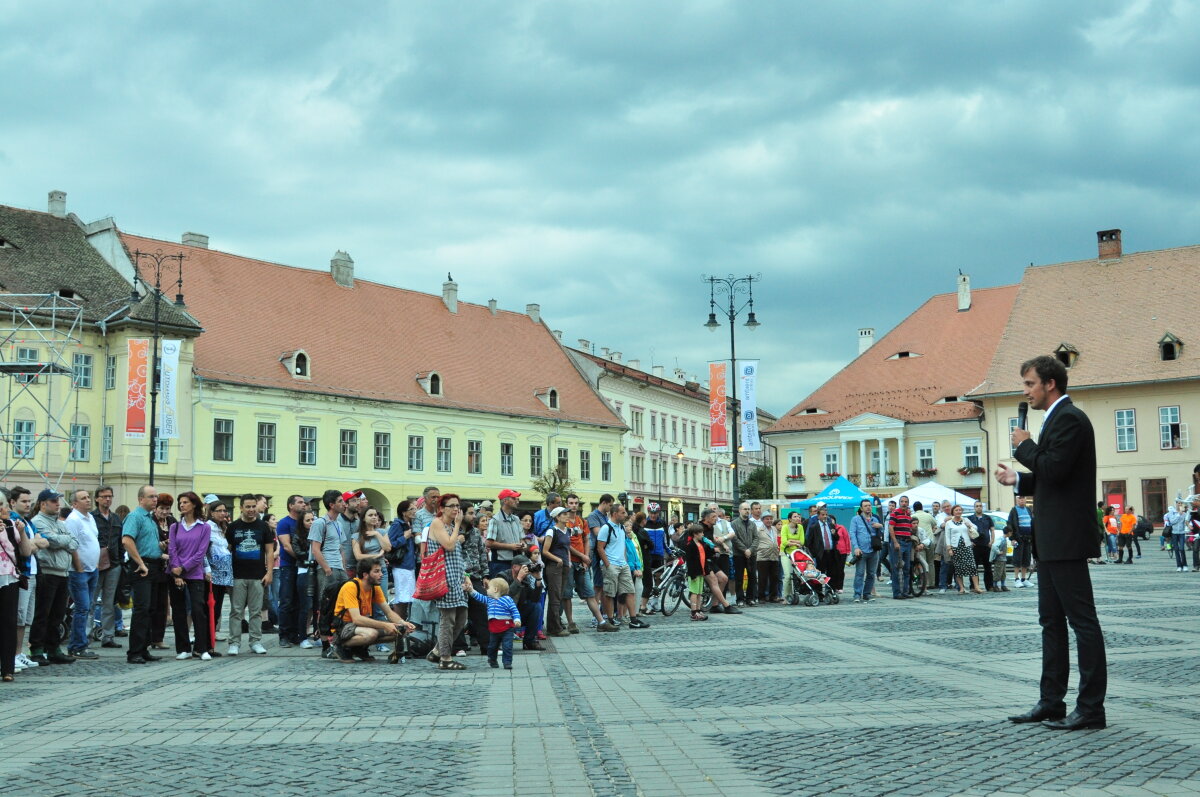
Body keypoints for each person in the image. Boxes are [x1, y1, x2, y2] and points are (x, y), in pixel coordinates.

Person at [997, 354, 1107, 731]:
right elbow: (1053, 476)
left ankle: (1091, 708)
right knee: (1051, 622)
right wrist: (1019, 480)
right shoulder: (1058, 419)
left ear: (1050, 384)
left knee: (1082, 623)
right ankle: (1051, 701)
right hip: (1051, 538)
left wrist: (1025, 446)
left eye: (1030, 384)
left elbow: (1056, 470)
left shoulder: (1070, 419)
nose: (1025, 391)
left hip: (1065, 538)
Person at [29, 489, 78, 665]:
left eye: (58, 501)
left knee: (58, 614)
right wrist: (62, 540)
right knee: (43, 613)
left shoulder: (60, 523)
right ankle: (37, 649)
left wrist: (61, 540)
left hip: (63, 572)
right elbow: (52, 541)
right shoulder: (38, 522)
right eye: (54, 501)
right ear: (43, 504)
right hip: (48, 572)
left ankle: (53, 648)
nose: (58, 504)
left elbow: (74, 543)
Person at [331, 560, 414, 663]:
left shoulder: (375, 588)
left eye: (380, 571)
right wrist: (385, 625)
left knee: (397, 632)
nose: (381, 575)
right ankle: (340, 646)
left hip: (360, 625)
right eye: (376, 571)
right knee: (371, 634)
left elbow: (388, 612)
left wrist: (403, 623)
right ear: (365, 575)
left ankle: (358, 649)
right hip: (343, 627)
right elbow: (357, 619)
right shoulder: (351, 587)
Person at [225, 494, 276, 656]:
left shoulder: (263, 527)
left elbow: (269, 551)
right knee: (236, 611)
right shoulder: (233, 527)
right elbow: (227, 550)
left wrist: (269, 573)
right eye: (248, 507)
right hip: (237, 575)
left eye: (254, 506)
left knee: (256, 611)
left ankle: (255, 641)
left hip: (258, 575)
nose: (251, 510)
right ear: (241, 507)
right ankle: (234, 642)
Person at [426, 493, 471, 670]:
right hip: (443, 578)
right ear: (442, 509)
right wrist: (458, 526)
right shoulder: (437, 523)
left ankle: (438, 650)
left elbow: (457, 556)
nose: (456, 509)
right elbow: (449, 546)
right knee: (448, 619)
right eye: (452, 506)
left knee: (461, 618)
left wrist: (465, 577)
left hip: (456, 577)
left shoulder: (451, 526)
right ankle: (445, 658)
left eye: (457, 506)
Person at [168, 492, 212, 660]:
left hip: (195, 574)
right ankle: (183, 648)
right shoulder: (175, 527)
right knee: (178, 611)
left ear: (194, 504)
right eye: (180, 502)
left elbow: (200, 553)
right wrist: (176, 571)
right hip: (176, 573)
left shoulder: (204, 527)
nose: (182, 505)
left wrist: (184, 568)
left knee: (197, 610)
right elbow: (172, 550)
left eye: (185, 502)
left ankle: (202, 648)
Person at [123, 486, 164, 664]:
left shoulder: (150, 518)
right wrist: (140, 563)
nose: (155, 500)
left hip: (154, 565)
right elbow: (127, 540)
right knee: (142, 609)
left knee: (151, 609)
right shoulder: (135, 516)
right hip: (143, 567)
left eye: (156, 497)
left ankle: (144, 648)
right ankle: (135, 652)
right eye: (151, 497)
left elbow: (148, 544)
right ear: (141, 499)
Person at [596, 502, 649, 629]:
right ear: (615, 514)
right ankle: (610, 619)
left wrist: (626, 562)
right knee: (609, 593)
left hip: (622, 564)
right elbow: (600, 548)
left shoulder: (621, 527)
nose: (626, 515)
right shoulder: (606, 528)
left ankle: (633, 620)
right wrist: (608, 565)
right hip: (611, 565)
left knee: (630, 591)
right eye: (623, 512)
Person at [309, 490, 349, 655]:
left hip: (339, 569)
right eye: (340, 501)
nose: (344, 504)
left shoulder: (338, 524)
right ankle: (325, 646)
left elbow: (341, 548)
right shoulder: (320, 523)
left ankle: (339, 642)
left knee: (342, 606)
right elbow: (315, 549)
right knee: (326, 606)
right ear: (332, 504)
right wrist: (326, 569)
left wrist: (343, 568)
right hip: (328, 569)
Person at [1, 489, 35, 681]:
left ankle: (7, 668)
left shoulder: (13, 525)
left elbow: (26, 551)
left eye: (2, 505)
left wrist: (21, 532)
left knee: (8, 623)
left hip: (9, 578)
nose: (0, 509)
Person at [64, 489, 101, 660]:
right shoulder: (73, 520)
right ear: (74, 503)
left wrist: (96, 563)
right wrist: (78, 567)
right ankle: (77, 646)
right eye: (83, 498)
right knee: (82, 608)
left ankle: (78, 644)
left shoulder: (90, 517)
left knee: (87, 607)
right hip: (79, 571)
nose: (88, 500)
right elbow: (72, 546)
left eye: (88, 497)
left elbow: (93, 541)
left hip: (92, 569)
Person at [91, 486, 124, 650]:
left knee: (109, 602)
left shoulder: (116, 518)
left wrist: (120, 559)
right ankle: (87, 635)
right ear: (97, 499)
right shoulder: (91, 517)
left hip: (114, 563)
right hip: (95, 564)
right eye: (104, 497)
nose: (107, 499)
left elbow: (120, 541)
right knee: (90, 601)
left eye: (110, 496)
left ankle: (108, 636)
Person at [465, 576, 522, 669]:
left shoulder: (507, 600)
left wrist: (517, 620)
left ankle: (507, 662)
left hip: (507, 628)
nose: (486, 590)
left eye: (488, 588)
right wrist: (471, 590)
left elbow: (514, 611)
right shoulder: (489, 600)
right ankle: (492, 660)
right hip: (494, 629)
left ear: (495, 589)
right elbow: (479, 597)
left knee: (507, 646)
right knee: (492, 647)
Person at [274, 494, 308, 647]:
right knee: (286, 601)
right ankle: (284, 635)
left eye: (303, 502)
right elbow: (287, 546)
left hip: (302, 567)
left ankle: (295, 634)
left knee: (299, 601)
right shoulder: (284, 523)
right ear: (291, 506)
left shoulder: (304, 523)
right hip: (288, 566)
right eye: (300, 502)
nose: (303, 505)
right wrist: (301, 558)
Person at [564, 494, 602, 629]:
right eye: (571, 503)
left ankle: (601, 621)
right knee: (567, 594)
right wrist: (582, 555)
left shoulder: (582, 521)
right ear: (566, 504)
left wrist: (586, 558)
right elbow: (566, 543)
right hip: (568, 562)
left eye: (576, 503)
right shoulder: (563, 521)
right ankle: (570, 622)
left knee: (589, 592)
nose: (574, 505)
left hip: (582, 562)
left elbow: (586, 540)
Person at [540, 506, 573, 638]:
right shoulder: (551, 531)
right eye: (564, 514)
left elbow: (567, 548)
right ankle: (554, 627)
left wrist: (568, 561)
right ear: (557, 517)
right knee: (555, 596)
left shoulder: (567, 530)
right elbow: (545, 551)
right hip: (554, 567)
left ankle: (555, 624)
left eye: (567, 513)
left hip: (564, 566)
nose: (567, 516)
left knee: (559, 595)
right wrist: (557, 559)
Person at [205, 501, 233, 651]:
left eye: (225, 510)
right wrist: (206, 569)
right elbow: (203, 551)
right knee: (210, 610)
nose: (223, 513)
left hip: (223, 575)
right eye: (219, 511)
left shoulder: (222, 528)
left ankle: (210, 643)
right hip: (212, 574)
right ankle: (206, 643)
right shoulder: (207, 527)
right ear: (211, 512)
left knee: (216, 611)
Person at [386, 500, 418, 618]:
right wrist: (404, 537)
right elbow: (390, 544)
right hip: (401, 566)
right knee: (402, 598)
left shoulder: (409, 524)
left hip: (409, 565)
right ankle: (399, 625)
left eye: (415, 509)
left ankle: (403, 625)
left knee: (407, 597)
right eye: (412, 509)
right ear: (404, 512)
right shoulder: (397, 525)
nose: (415, 511)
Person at [486, 488, 525, 577]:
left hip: (517, 562)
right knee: (502, 589)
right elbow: (489, 543)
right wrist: (510, 546)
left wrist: (523, 545)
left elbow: (522, 539)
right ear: (505, 501)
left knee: (517, 589)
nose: (517, 501)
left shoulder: (516, 519)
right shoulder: (495, 520)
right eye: (514, 498)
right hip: (501, 564)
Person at [849, 499, 882, 603]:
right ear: (861, 508)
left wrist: (880, 526)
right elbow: (852, 534)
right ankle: (857, 594)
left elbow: (882, 533)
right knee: (860, 573)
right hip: (862, 551)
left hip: (873, 550)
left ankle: (867, 593)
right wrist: (856, 547)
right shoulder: (856, 519)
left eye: (869, 505)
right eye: (865, 506)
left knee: (871, 573)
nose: (868, 507)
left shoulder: (875, 519)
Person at [944, 505, 983, 594]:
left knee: (972, 566)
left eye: (960, 510)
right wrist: (949, 548)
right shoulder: (949, 523)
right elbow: (947, 536)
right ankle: (961, 588)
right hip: (956, 547)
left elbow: (975, 528)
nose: (958, 512)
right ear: (953, 512)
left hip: (967, 545)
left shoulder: (965, 520)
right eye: (956, 510)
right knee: (958, 568)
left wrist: (969, 526)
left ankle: (976, 587)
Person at [886, 496, 915, 599]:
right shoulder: (895, 513)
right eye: (902, 501)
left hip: (907, 542)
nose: (904, 503)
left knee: (907, 568)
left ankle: (905, 591)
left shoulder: (908, 515)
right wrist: (895, 542)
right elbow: (891, 528)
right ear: (899, 503)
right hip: (898, 541)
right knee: (896, 568)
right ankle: (897, 592)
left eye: (906, 502)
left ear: (908, 503)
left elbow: (909, 528)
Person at [730, 502, 757, 606]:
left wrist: (750, 550)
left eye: (748, 509)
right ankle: (740, 598)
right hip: (739, 554)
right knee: (739, 577)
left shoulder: (752, 524)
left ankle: (750, 598)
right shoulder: (734, 523)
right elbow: (734, 539)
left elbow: (756, 538)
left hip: (752, 554)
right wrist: (744, 550)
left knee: (752, 577)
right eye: (745, 509)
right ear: (740, 510)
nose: (747, 511)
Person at [683, 524, 710, 621]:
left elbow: (704, 558)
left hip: (701, 571)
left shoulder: (701, 544)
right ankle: (693, 612)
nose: (703, 534)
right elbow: (690, 561)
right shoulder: (690, 545)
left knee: (699, 592)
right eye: (701, 533)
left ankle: (698, 610)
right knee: (694, 592)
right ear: (695, 534)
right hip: (694, 572)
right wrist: (692, 573)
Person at [753, 513, 781, 603]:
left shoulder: (774, 529)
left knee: (774, 577)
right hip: (763, 556)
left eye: (770, 519)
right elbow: (755, 541)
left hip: (774, 555)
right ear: (762, 520)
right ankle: (761, 597)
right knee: (763, 578)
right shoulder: (759, 529)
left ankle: (773, 596)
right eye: (767, 519)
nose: (769, 521)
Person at [1007, 496, 1035, 587]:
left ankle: (1024, 579)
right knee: (1017, 559)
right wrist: (1012, 539)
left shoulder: (1028, 509)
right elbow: (1010, 524)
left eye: (1023, 498)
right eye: (1019, 499)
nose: (1021, 500)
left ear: (1025, 500)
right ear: (1016, 500)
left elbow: (1032, 522)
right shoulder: (1014, 510)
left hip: (1028, 538)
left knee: (1026, 559)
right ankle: (1016, 579)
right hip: (1018, 538)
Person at [1164, 500, 1189, 572]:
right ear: (1176, 504)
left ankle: (1185, 565)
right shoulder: (1171, 513)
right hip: (1174, 533)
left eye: (1181, 503)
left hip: (1181, 533)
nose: (1180, 505)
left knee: (1182, 548)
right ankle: (1179, 566)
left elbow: (1186, 522)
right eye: (1178, 503)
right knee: (1176, 549)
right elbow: (1172, 522)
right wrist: (1178, 514)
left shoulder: (1184, 514)